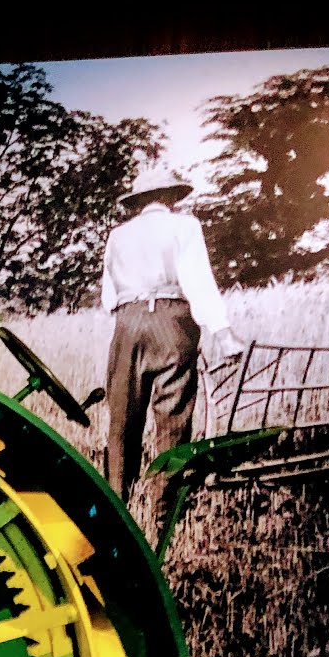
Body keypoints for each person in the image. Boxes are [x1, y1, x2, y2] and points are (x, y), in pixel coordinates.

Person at [100, 167, 243, 510]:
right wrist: (221, 332)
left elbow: (108, 295)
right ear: (169, 198)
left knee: (122, 417)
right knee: (173, 414)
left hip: (127, 320)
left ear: (139, 202)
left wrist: (134, 317)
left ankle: (116, 505)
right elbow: (196, 278)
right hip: (172, 318)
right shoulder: (185, 226)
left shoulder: (118, 235)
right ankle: (163, 507)